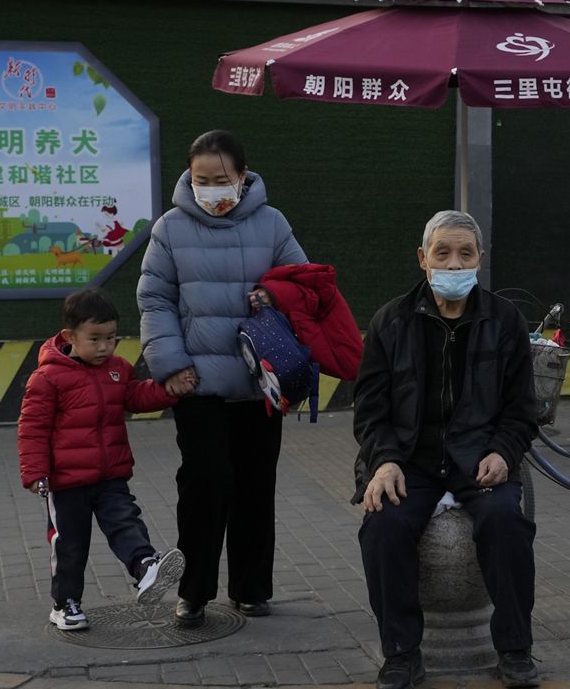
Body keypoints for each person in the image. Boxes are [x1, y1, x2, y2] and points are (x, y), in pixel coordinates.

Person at [352, 211, 540, 689]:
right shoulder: (389, 322)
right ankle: (400, 652)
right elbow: (370, 411)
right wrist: (384, 460)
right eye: (442, 253)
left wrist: (502, 452)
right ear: (423, 259)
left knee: (506, 523)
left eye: (465, 254)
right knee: (383, 528)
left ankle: (515, 649)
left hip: (479, 458)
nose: (454, 264)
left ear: (480, 259)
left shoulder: (506, 321)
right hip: (409, 459)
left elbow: (522, 411)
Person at [138, 129, 308, 626]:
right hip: (198, 385)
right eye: (201, 180)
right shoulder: (169, 229)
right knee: (205, 484)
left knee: (256, 486)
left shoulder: (273, 223)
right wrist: (171, 365)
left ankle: (251, 589)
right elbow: (155, 299)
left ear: (242, 176)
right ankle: (193, 591)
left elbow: (303, 285)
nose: (211, 190)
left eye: (221, 180)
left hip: (261, 384)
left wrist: (275, 298)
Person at [18, 288, 186, 631]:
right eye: (94, 339)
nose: (104, 347)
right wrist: (35, 472)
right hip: (66, 483)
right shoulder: (48, 378)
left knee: (125, 521)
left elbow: (136, 397)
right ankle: (65, 604)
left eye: (110, 338)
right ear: (69, 337)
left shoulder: (118, 369)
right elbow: (32, 428)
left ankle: (145, 568)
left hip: (110, 475)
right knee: (70, 545)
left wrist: (168, 390)